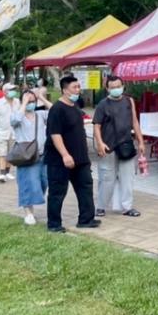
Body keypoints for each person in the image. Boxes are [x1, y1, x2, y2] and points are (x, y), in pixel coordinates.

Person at [45, 75, 99, 233]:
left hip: (80, 158)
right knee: (58, 191)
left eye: (78, 87)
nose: (78, 90)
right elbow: (55, 134)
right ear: (64, 90)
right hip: (60, 159)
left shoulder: (75, 107)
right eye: (74, 87)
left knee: (85, 187)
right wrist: (65, 155)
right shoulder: (57, 109)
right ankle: (54, 224)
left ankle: (86, 219)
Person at [93, 75, 146, 218]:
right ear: (107, 89)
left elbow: (135, 122)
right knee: (107, 178)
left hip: (126, 145)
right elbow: (96, 126)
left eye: (118, 86)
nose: (116, 89)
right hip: (108, 146)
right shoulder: (102, 105)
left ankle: (126, 207)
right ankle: (101, 206)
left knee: (127, 178)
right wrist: (100, 143)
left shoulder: (129, 101)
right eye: (113, 87)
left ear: (123, 86)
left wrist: (140, 141)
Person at [12, 89, 51, 225]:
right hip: (26, 156)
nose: (31, 104)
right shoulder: (18, 115)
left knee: (43, 182)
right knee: (27, 184)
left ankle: (32, 205)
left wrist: (41, 97)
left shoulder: (40, 115)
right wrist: (24, 103)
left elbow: (57, 111)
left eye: (33, 101)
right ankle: (28, 213)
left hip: (42, 155)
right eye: (29, 101)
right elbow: (15, 120)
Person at [0, 82, 20, 183]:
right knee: (2, 153)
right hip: (1, 131)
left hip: (14, 131)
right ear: (5, 91)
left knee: (11, 153)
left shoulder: (17, 102)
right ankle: (2, 173)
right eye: (11, 90)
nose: (13, 92)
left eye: (14, 90)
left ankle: (7, 171)